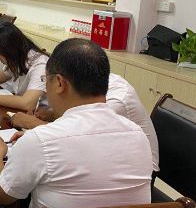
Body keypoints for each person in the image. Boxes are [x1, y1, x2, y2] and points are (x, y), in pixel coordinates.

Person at [0, 38, 153, 208]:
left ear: (60, 83)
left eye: (46, 81)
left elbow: (2, 194)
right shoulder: (137, 135)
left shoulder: (42, 140)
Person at [10, 71, 160, 172]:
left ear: (61, 81)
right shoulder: (89, 83)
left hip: (137, 168)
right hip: (104, 151)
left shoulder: (115, 101)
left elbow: (81, 133)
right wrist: (51, 114)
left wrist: (32, 124)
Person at [0, 23, 48, 111]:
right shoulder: (18, 57)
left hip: (38, 114)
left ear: (11, 50)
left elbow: (28, 103)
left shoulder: (40, 65)